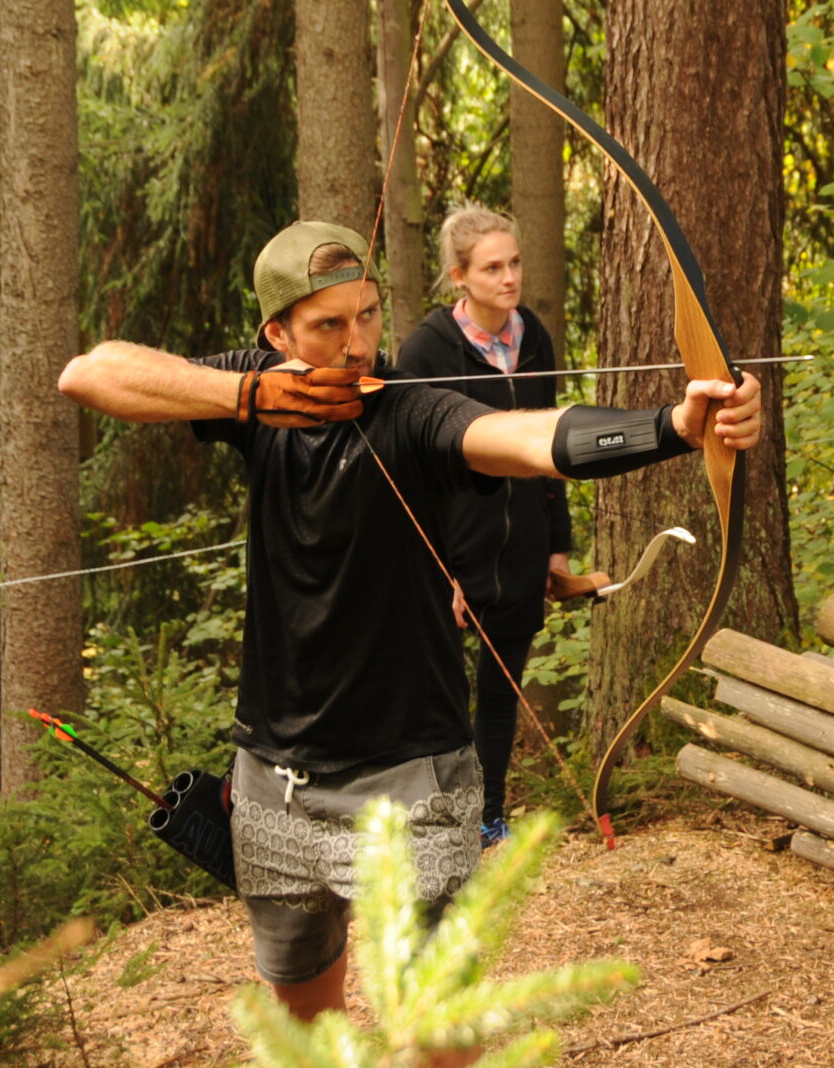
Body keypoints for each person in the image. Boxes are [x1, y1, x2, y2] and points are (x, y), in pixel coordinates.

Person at [55, 219, 761, 1037]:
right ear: (277, 335)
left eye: (366, 315)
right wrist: (250, 397)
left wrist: (670, 428)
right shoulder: (253, 393)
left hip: (410, 781)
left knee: (436, 1029)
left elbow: (529, 438)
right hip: (275, 780)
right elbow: (88, 373)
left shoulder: (411, 409)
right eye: (329, 325)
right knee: (304, 1025)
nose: (356, 343)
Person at [394, 207, 567, 848]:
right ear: (459, 276)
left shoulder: (534, 336)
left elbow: (550, 445)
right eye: (492, 268)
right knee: (438, 698)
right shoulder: (426, 349)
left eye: (514, 263)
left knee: (500, 696)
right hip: (450, 556)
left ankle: (489, 819)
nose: (509, 277)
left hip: (521, 548)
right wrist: (437, 570)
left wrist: (557, 546)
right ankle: (434, 824)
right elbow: (409, 472)